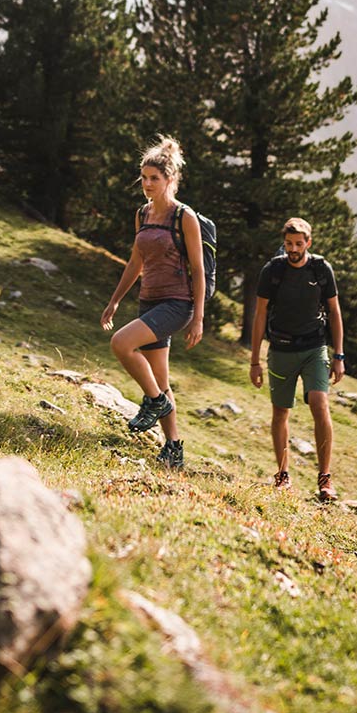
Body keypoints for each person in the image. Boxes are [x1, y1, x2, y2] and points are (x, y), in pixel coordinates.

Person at [100, 136, 205, 469]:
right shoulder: (143, 215)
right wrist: (115, 300)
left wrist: (199, 317)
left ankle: (155, 402)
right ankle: (173, 447)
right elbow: (136, 262)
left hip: (177, 304)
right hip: (149, 300)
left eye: (154, 178)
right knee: (160, 376)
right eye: (144, 178)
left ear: (169, 180)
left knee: (121, 343)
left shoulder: (184, 217)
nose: (147, 184)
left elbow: (199, 271)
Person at [249, 217, 345, 501]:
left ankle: (325, 478)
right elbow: (260, 315)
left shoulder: (321, 269)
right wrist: (255, 361)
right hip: (280, 349)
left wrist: (338, 355)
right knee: (280, 412)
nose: (293, 249)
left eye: (298, 244)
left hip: (315, 347)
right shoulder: (273, 271)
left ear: (308, 243)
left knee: (319, 402)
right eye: (289, 244)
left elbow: (335, 312)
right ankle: (282, 475)